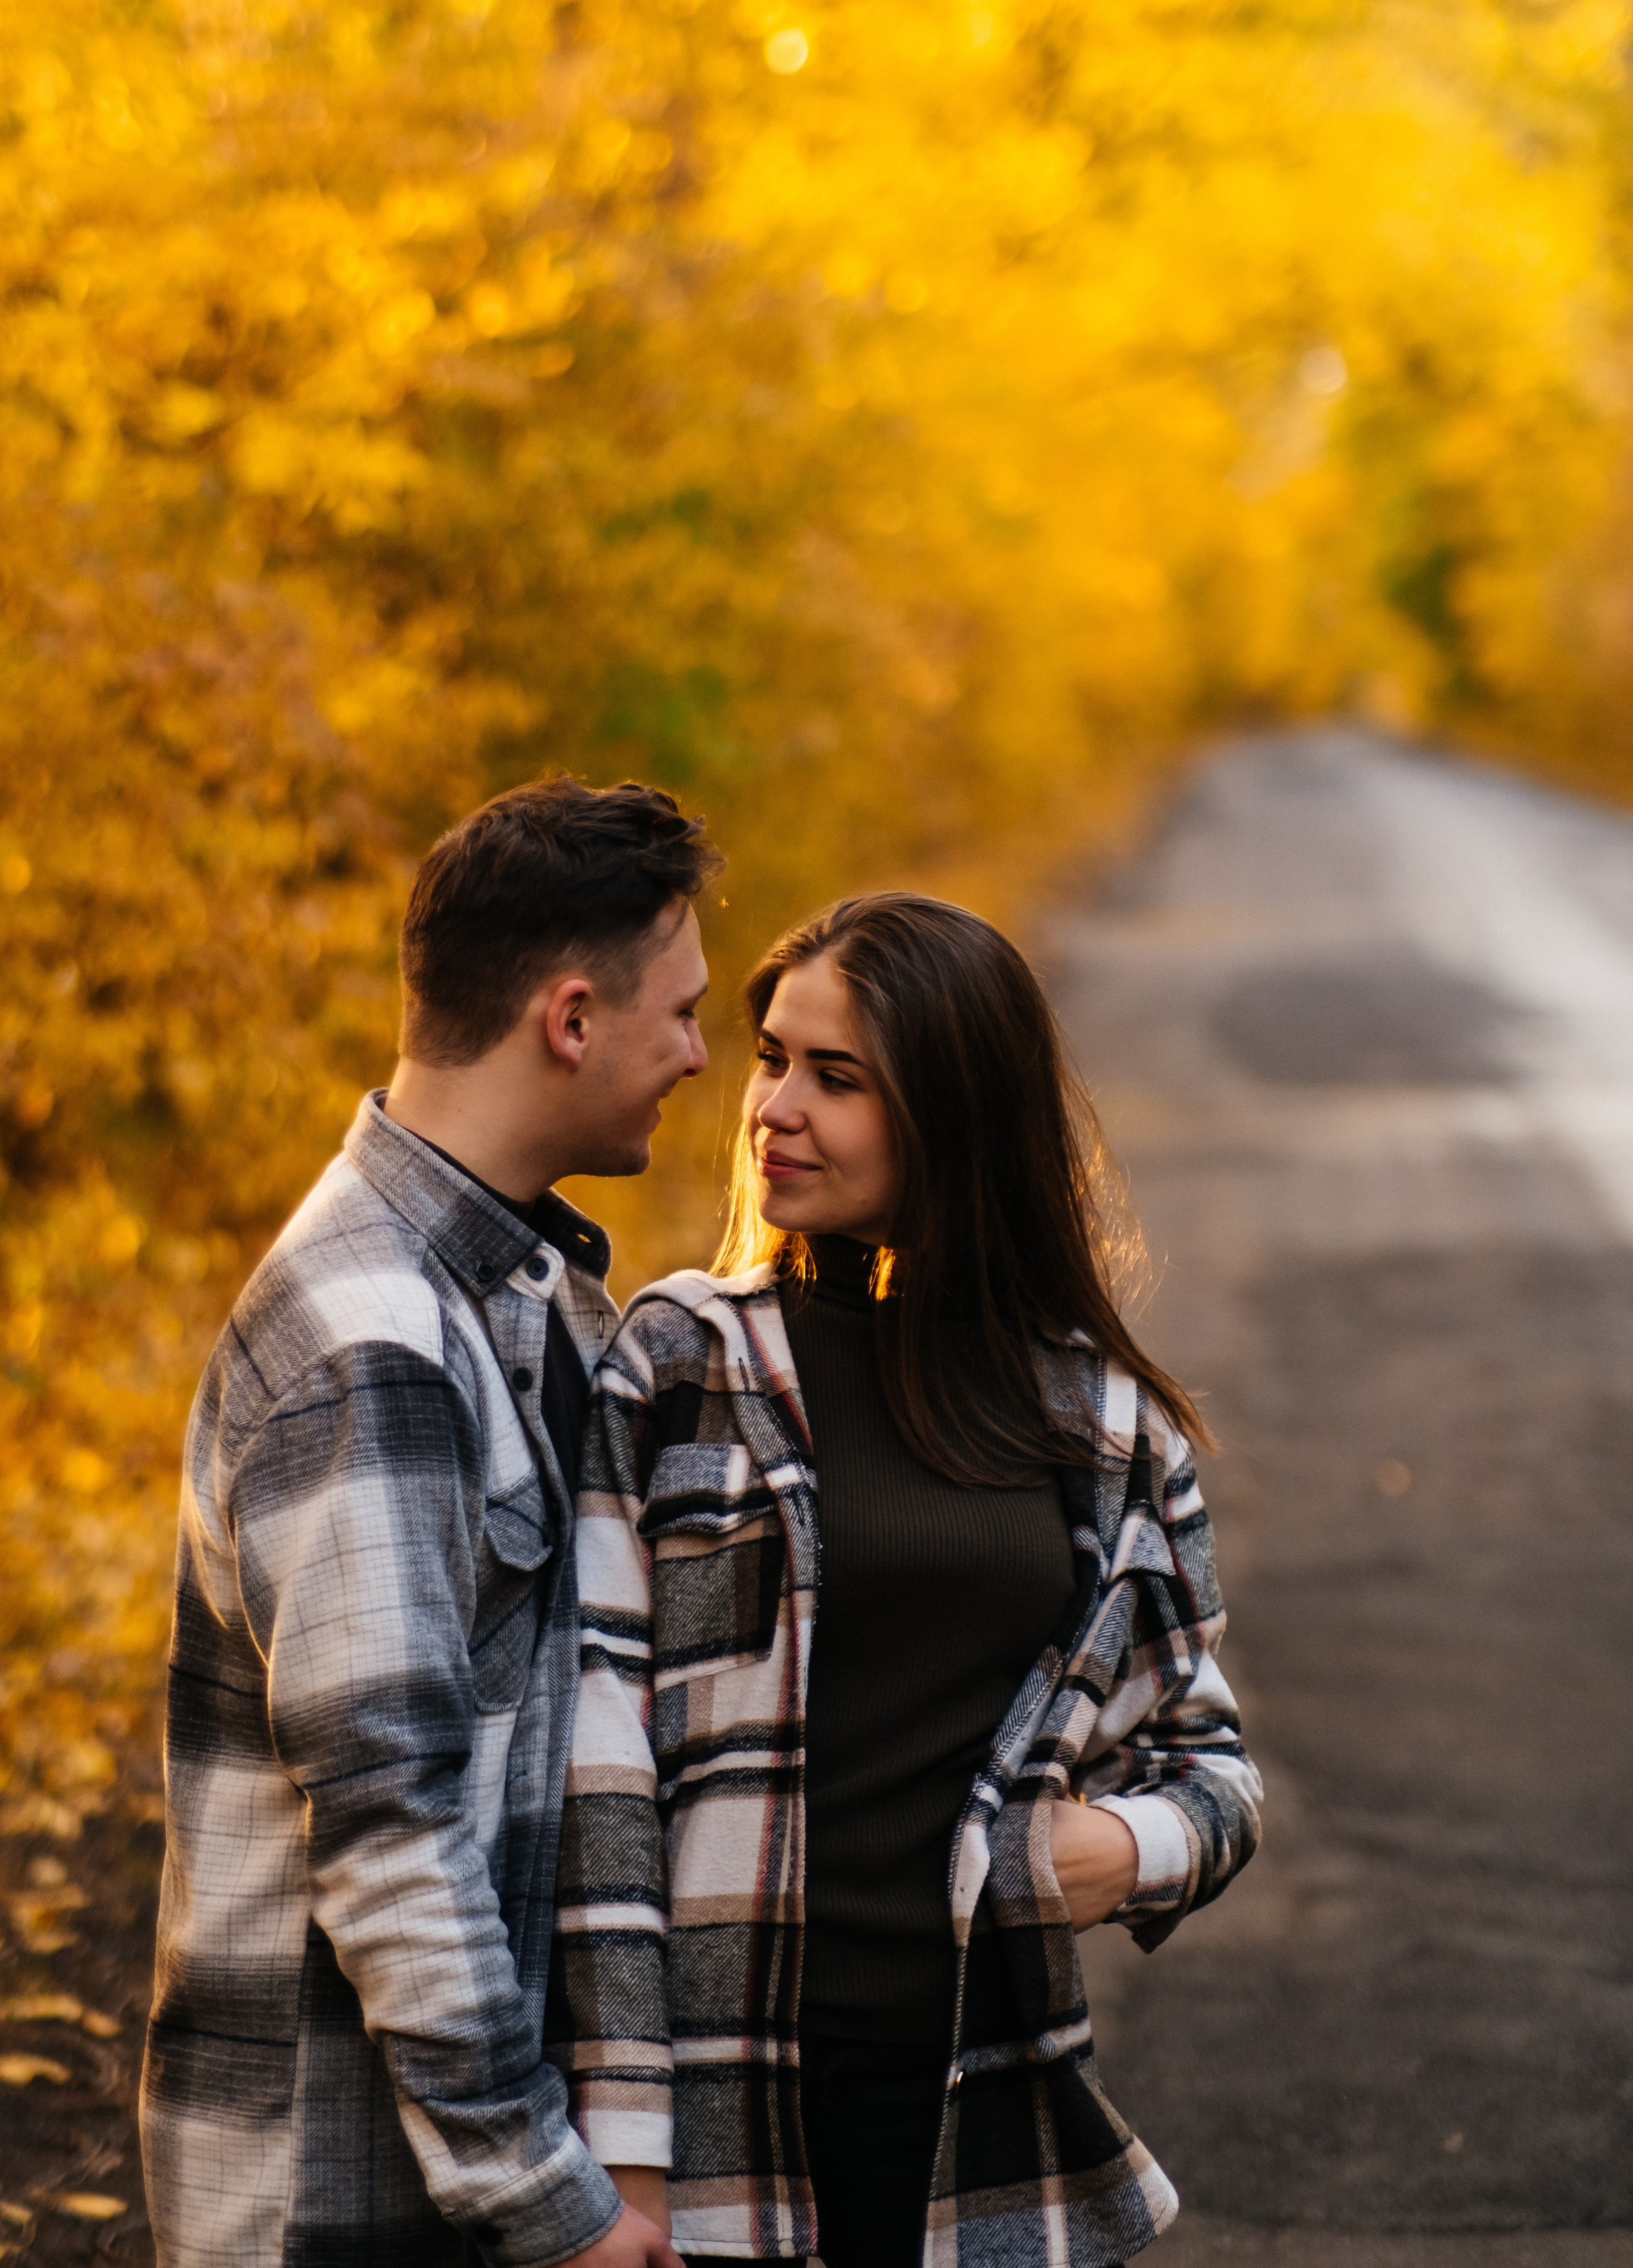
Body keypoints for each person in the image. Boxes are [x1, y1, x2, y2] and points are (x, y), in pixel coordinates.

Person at [550, 891, 1262, 2268]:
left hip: (982, 2103)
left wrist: (1124, 1850)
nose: (774, 1108)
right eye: (771, 1058)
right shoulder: (680, 1365)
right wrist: (625, 2149)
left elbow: (1213, 1770)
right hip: (717, 2105)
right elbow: (602, 1777)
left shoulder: (1099, 1427)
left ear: (954, 1114)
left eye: (838, 1076)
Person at [141, 776, 721, 2268]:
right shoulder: (373, 1343)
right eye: (680, 1012)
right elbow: (391, 1829)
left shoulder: (511, 1295)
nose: (699, 1054)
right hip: (339, 2198)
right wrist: (550, 2199)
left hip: (423, 2179)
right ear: (571, 1018)